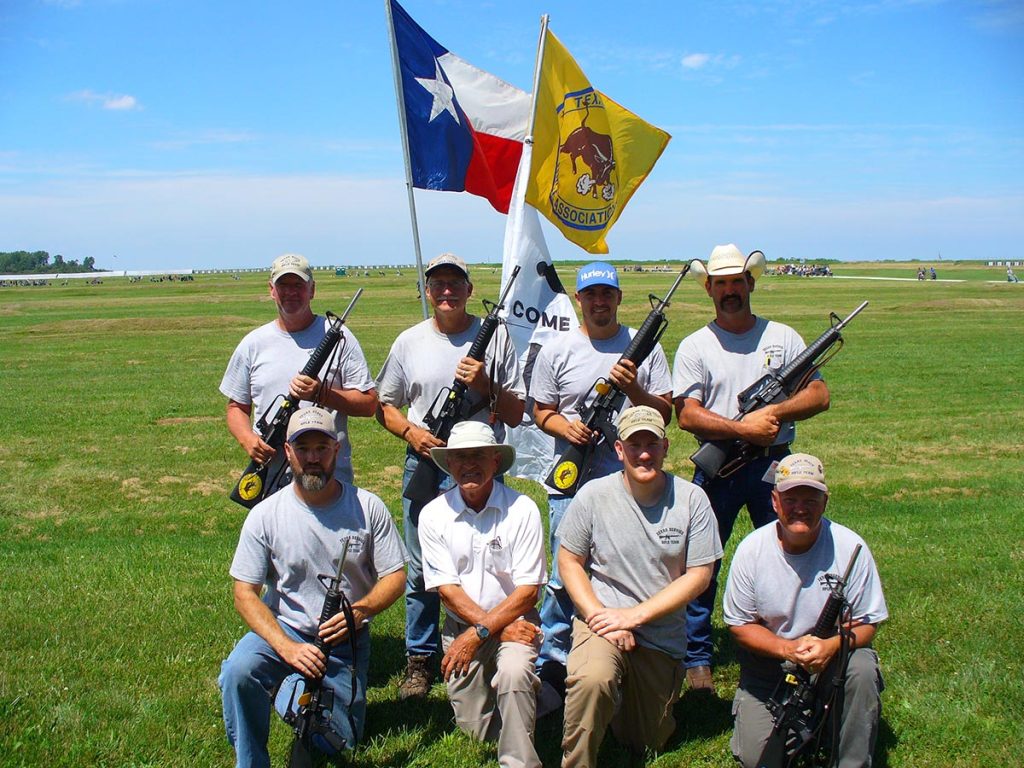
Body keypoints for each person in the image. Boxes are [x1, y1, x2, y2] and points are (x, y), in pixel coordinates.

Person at [673, 244, 831, 693]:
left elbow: (819, 395)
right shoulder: (695, 345)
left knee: (790, 555)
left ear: (751, 284)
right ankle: (697, 658)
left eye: (736, 282)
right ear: (709, 289)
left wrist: (775, 415)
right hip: (719, 467)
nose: (729, 291)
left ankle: (789, 641)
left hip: (774, 467)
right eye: (720, 283)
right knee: (701, 563)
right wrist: (742, 427)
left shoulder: (783, 338)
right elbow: (687, 415)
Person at [218, 407, 407, 768]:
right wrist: (287, 648)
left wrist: (359, 612)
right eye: (302, 449)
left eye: (322, 447)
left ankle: (292, 691)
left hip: (343, 639)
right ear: (287, 453)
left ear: (337, 449)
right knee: (238, 672)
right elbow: (244, 593)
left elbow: (396, 577)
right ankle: (252, 759)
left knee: (336, 740)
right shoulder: (265, 514)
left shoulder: (368, 507)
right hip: (284, 628)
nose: (312, 458)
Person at [376, 252, 526, 699]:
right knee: (422, 565)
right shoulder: (409, 342)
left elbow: (517, 413)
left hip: (482, 461)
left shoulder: (494, 338)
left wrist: (486, 385)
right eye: (438, 284)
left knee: (492, 557)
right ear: (427, 291)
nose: (446, 292)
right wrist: (412, 433)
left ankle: (492, 639)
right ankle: (420, 661)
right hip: (425, 462)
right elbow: (383, 405)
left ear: (469, 290)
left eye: (454, 284)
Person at [529, 261, 673, 713]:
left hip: (629, 483)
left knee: (626, 568)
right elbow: (541, 411)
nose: (599, 302)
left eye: (606, 294)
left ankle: (627, 652)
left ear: (618, 298)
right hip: (571, 481)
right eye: (590, 295)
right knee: (561, 576)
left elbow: (664, 413)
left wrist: (636, 392)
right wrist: (565, 428)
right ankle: (554, 664)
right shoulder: (558, 349)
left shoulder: (643, 349)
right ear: (579, 300)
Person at [556, 406, 722, 766]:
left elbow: (699, 575)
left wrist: (634, 617)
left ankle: (620, 701)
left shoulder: (693, 500)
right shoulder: (593, 495)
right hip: (601, 621)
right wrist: (599, 616)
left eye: (652, 444)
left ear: (666, 446)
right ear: (619, 450)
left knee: (646, 741)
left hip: (659, 631)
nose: (644, 453)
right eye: (634, 445)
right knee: (592, 679)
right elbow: (568, 560)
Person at [723, 453, 888, 768]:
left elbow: (867, 623)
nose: (800, 507)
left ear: (825, 501)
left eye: (810, 499)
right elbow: (740, 625)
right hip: (771, 664)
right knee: (756, 759)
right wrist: (788, 649)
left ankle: (850, 759)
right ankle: (816, 725)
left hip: (833, 662)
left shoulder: (851, 547)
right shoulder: (751, 550)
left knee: (862, 668)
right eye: (791, 498)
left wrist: (830, 646)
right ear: (774, 501)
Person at [419, 421, 547, 768]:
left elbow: (528, 592)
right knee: (478, 731)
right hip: (465, 629)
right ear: (449, 464)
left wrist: (488, 631)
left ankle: (519, 763)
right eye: (460, 457)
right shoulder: (432, 515)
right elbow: (447, 592)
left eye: (477, 455)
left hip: (517, 624)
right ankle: (547, 696)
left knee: (513, 673)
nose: (468, 464)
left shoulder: (522, 510)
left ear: (495, 461)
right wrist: (489, 629)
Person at [220, 253, 377, 492]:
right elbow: (236, 408)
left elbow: (368, 404)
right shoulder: (253, 344)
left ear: (312, 290)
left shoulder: (340, 339)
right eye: (283, 285)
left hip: (329, 477)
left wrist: (321, 394)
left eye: (298, 285)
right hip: (271, 477)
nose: (291, 292)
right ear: (272, 290)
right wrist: (248, 440)